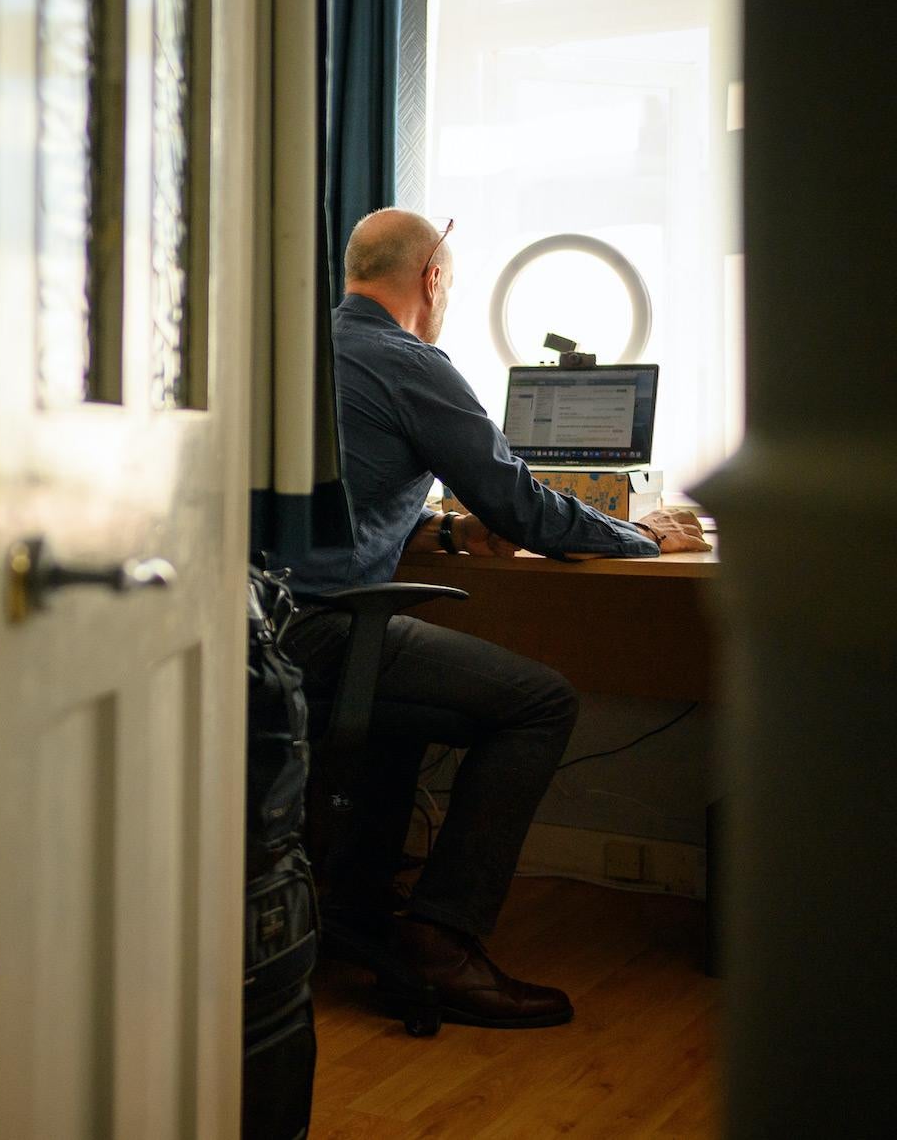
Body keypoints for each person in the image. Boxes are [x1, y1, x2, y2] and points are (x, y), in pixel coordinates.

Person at [285, 207, 709, 1030]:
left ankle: (361, 900)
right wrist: (643, 535)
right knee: (540, 701)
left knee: (399, 704)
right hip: (323, 630)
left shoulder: (306, 353)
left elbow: (341, 497)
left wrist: (442, 526)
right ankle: (443, 940)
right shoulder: (409, 360)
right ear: (433, 279)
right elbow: (530, 511)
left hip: (258, 630)